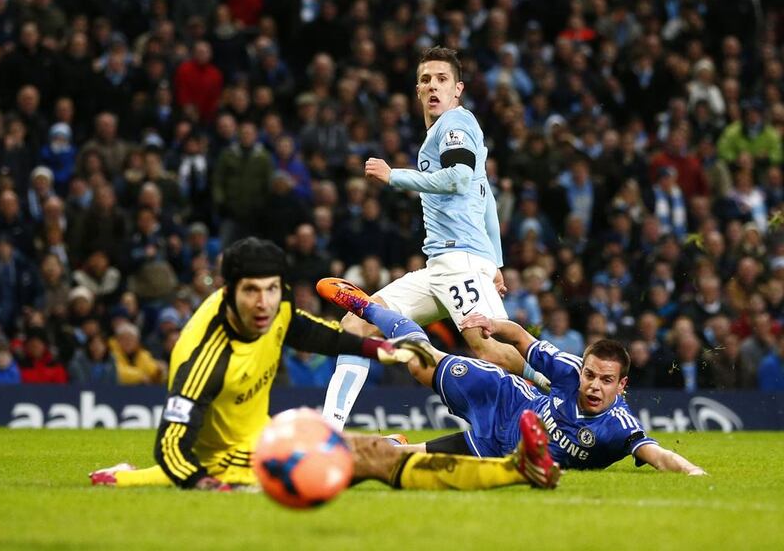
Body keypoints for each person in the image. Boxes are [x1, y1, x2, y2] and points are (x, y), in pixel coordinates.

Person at [89, 237, 558, 491]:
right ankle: (516, 470)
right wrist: (206, 484)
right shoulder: (202, 355)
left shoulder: (276, 309)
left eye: (273, 289)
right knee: (374, 461)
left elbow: (328, 338)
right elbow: (171, 448)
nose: (265, 302)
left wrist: (390, 351)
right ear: (227, 291)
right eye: (253, 291)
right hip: (235, 462)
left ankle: (516, 468)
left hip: (270, 437)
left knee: (378, 456)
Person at [323, 46, 549, 430]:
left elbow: (458, 178)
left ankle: (562, 392)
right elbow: (485, 197)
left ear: (457, 88)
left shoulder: (455, 125)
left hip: (459, 260)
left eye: (442, 79)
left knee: (489, 347)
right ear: (416, 90)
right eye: (426, 79)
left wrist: (393, 175)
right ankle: (329, 430)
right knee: (356, 323)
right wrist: (495, 262)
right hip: (442, 266)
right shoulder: (441, 133)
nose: (433, 86)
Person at [319, 277, 705, 475]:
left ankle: (388, 442)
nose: (592, 385)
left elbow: (658, 455)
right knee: (420, 362)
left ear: (622, 386)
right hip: (501, 396)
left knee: (396, 461)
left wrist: (691, 471)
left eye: (606, 380)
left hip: (493, 447)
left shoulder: (619, 426)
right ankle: (366, 307)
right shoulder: (569, 372)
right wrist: (490, 322)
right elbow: (521, 337)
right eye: (590, 374)